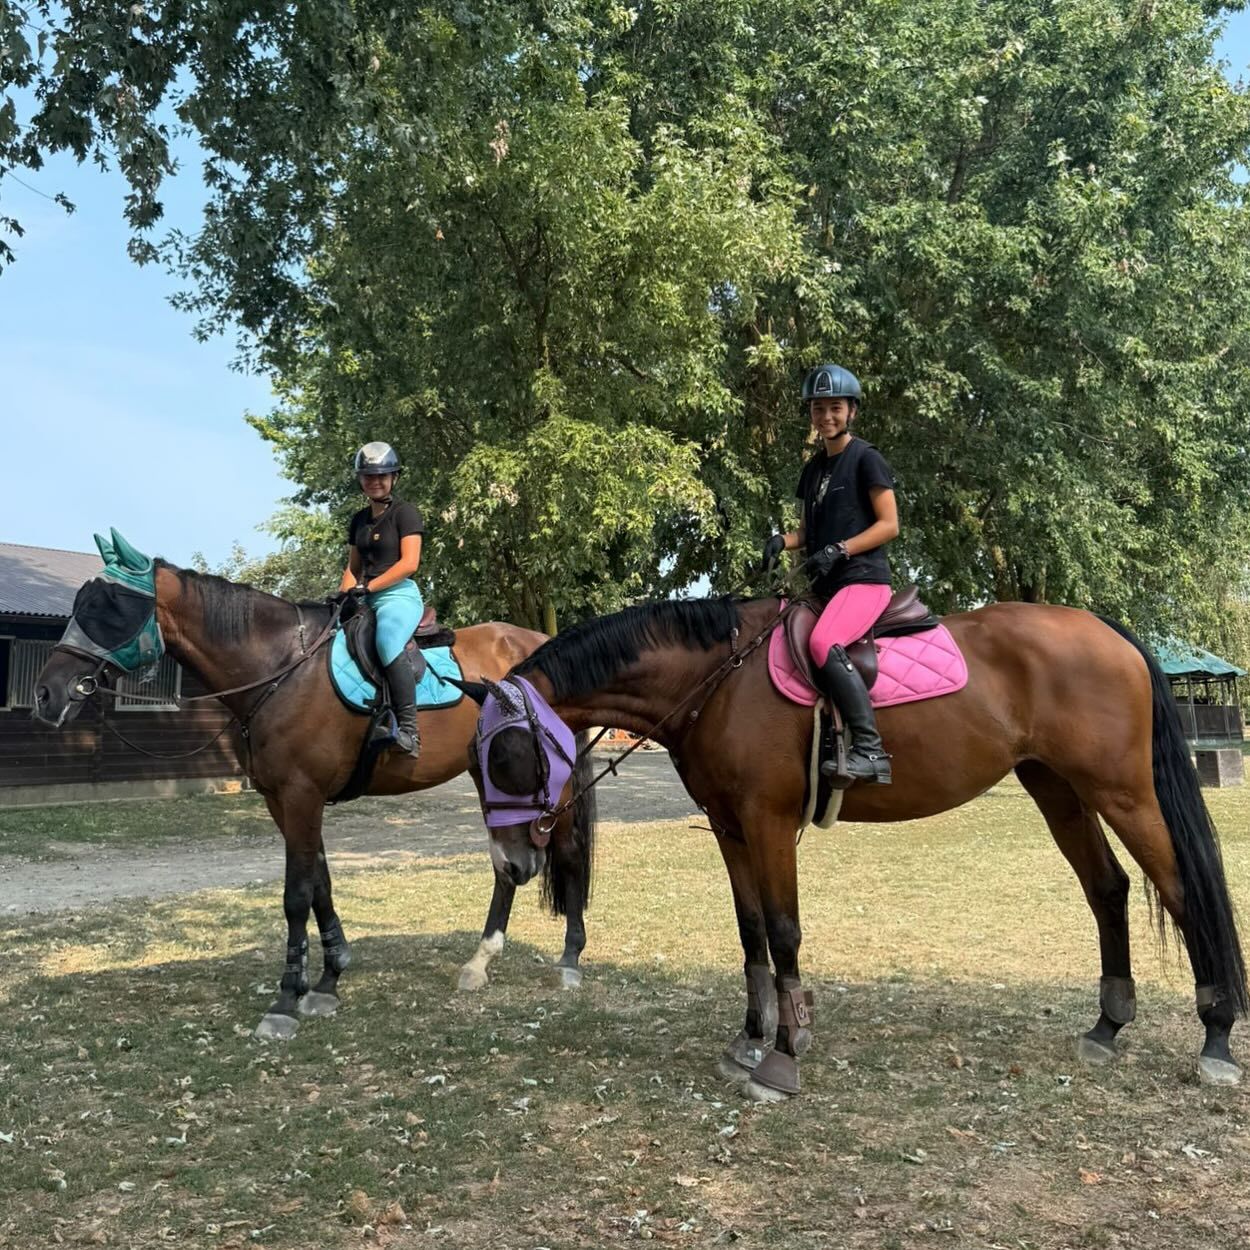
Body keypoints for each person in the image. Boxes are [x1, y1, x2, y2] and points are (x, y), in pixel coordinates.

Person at [762, 364, 899, 785]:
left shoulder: (866, 459)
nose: (826, 417)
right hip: (824, 586)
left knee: (824, 641)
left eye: (835, 408)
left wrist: (840, 549)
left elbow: (889, 524)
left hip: (863, 579)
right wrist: (782, 542)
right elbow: (811, 532)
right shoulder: (814, 469)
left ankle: (871, 751)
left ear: (852, 411)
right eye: (818, 409)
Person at [335, 441, 425, 756]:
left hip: (398, 596)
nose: (376, 481)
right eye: (369, 476)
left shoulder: (406, 513)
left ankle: (410, 733)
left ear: (394, 477)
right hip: (364, 598)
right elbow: (353, 567)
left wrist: (369, 588)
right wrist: (343, 595)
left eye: (382, 475)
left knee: (387, 641)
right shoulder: (358, 520)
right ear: (361, 480)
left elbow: (409, 563)